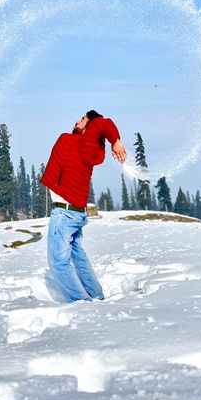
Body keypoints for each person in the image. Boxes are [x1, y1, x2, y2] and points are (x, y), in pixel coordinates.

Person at [41, 110, 126, 302]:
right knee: (76, 255)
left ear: (90, 128)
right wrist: (112, 139)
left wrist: (115, 140)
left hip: (65, 213)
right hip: (75, 213)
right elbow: (100, 125)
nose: (76, 121)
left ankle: (82, 304)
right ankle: (96, 294)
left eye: (82, 120)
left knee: (58, 262)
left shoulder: (86, 146)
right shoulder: (85, 147)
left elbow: (103, 123)